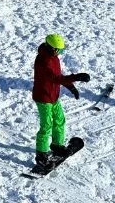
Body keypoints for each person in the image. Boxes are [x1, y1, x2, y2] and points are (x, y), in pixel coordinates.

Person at [31, 34, 90, 173]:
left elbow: (59, 77)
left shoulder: (54, 58)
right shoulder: (43, 61)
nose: (60, 53)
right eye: (59, 50)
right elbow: (56, 78)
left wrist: (71, 87)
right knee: (46, 125)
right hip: (43, 98)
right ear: (52, 48)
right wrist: (76, 77)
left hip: (53, 96)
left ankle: (57, 145)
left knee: (59, 120)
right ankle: (41, 154)